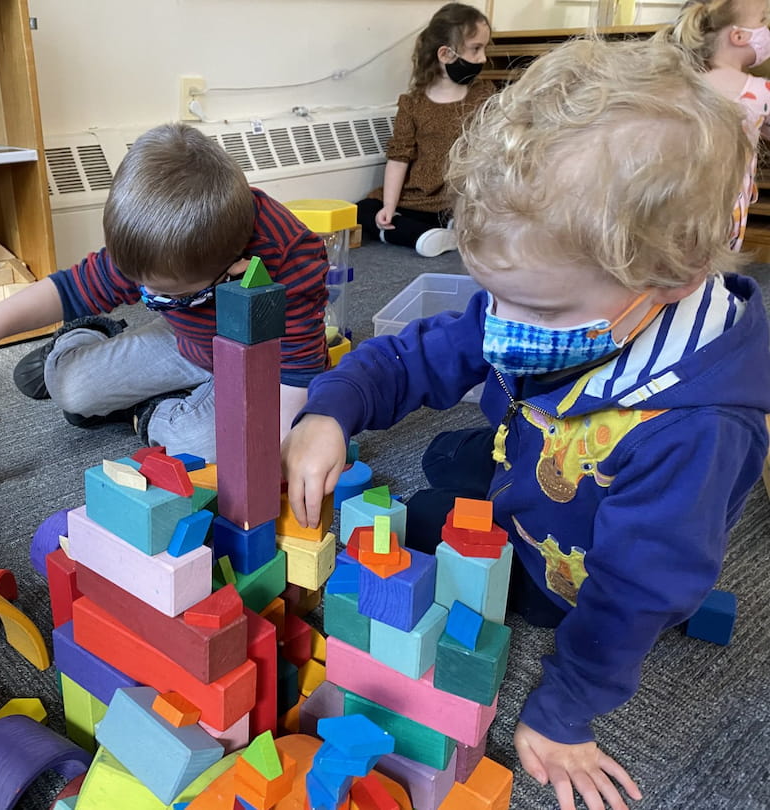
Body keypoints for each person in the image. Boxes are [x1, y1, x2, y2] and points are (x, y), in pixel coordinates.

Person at [283, 37, 770, 810]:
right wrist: (330, 411)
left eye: (536, 309)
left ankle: (507, 521)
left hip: (572, 563)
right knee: (449, 453)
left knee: (424, 520)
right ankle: (493, 463)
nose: (499, 324)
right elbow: (419, 354)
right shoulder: (575, 297)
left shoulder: (699, 429)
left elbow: (634, 592)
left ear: (669, 282)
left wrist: (563, 713)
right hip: (539, 443)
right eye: (492, 294)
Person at [0, 122, 329, 463]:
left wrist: (281, 456)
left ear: (236, 269)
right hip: (186, 342)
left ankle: (147, 412)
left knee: (205, 447)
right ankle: (86, 337)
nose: (146, 296)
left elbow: (297, 378)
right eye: (141, 288)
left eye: (166, 296)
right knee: (71, 388)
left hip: (259, 366)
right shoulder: (155, 241)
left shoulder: (289, 260)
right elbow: (67, 290)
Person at [356, 2, 494, 258]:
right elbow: (399, 158)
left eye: (484, 49)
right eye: (475, 49)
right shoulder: (413, 103)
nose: (483, 58)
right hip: (416, 199)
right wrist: (389, 205)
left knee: (489, 218)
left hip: (459, 200)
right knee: (363, 210)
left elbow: (493, 155)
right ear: (445, 54)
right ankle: (425, 235)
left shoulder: (484, 96)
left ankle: (431, 231)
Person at [658, 0, 770, 250]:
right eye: (762, 19)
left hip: (674, 198)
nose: (766, 28)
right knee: (717, 262)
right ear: (739, 36)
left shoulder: (682, 83)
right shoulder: (760, 91)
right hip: (728, 202)